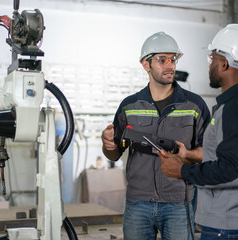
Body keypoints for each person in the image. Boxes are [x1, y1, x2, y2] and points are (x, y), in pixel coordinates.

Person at [158, 24, 238, 240]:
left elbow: (234, 170)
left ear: (225, 64)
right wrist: (190, 156)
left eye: (211, 59)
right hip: (237, 222)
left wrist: (182, 171)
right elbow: (230, 157)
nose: (209, 64)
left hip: (232, 225)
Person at [101, 31, 210, 240]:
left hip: (178, 203)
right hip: (138, 204)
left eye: (173, 59)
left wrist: (187, 155)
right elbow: (113, 153)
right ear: (146, 65)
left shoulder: (194, 105)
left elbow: (209, 152)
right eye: (162, 60)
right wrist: (108, 144)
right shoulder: (129, 106)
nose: (170, 65)